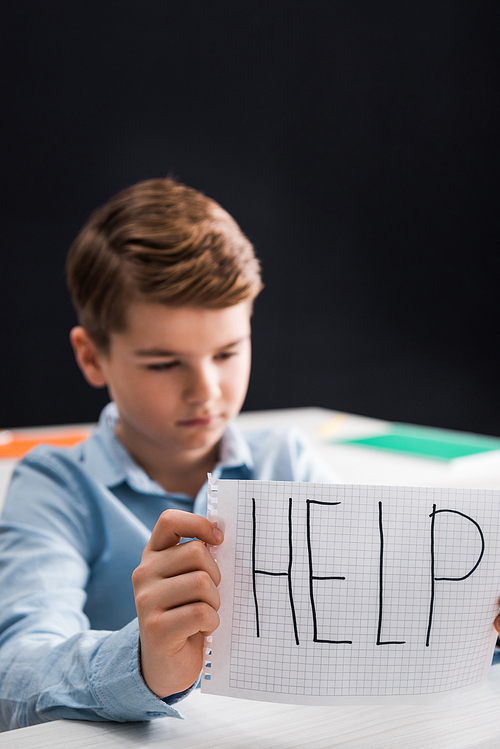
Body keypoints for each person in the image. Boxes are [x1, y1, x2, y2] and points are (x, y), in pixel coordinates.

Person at [0, 178, 338, 730]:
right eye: (163, 363)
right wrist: (143, 665)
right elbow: (13, 673)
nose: (205, 391)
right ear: (91, 357)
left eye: (227, 352)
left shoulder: (287, 462)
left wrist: (477, 625)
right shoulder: (56, 484)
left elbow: (371, 625)